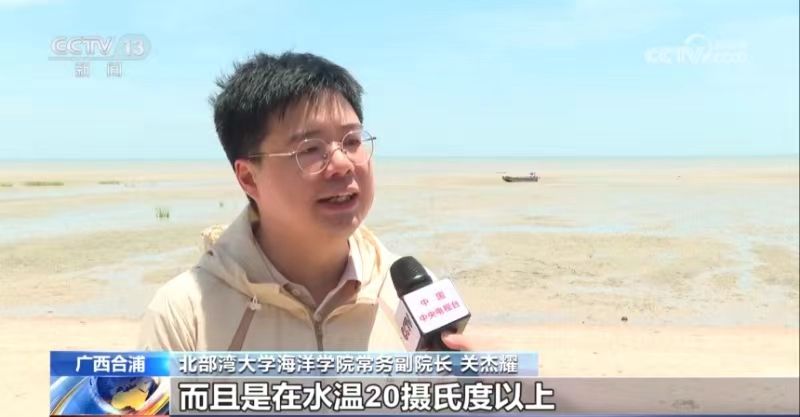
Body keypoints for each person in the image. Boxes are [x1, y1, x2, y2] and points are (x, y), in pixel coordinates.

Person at [137, 52, 477, 351]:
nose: (343, 163)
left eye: (352, 141)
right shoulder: (184, 314)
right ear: (249, 178)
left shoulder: (411, 293)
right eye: (310, 149)